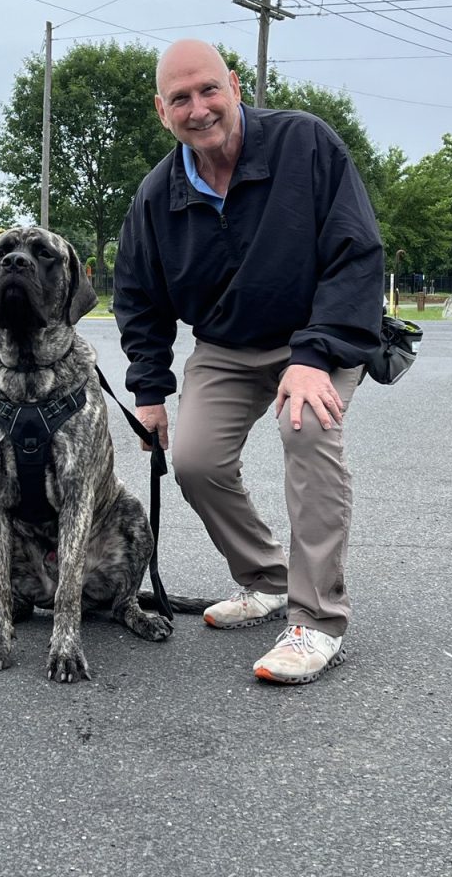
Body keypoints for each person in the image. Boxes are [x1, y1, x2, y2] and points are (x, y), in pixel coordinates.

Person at [112, 39, 385, 685]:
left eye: (209, 89)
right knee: (195, 461)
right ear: (161, 109)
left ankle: (316, 620)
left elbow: (357, 252)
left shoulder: (306, 145)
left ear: (234, 85)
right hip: (229, 345)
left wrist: (315, 353)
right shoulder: (156, 198)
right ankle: (265, 579)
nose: (199, 107)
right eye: (180, 98)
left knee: (307, 426)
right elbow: (138, 298)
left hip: (319, 332)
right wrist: (149, 392)